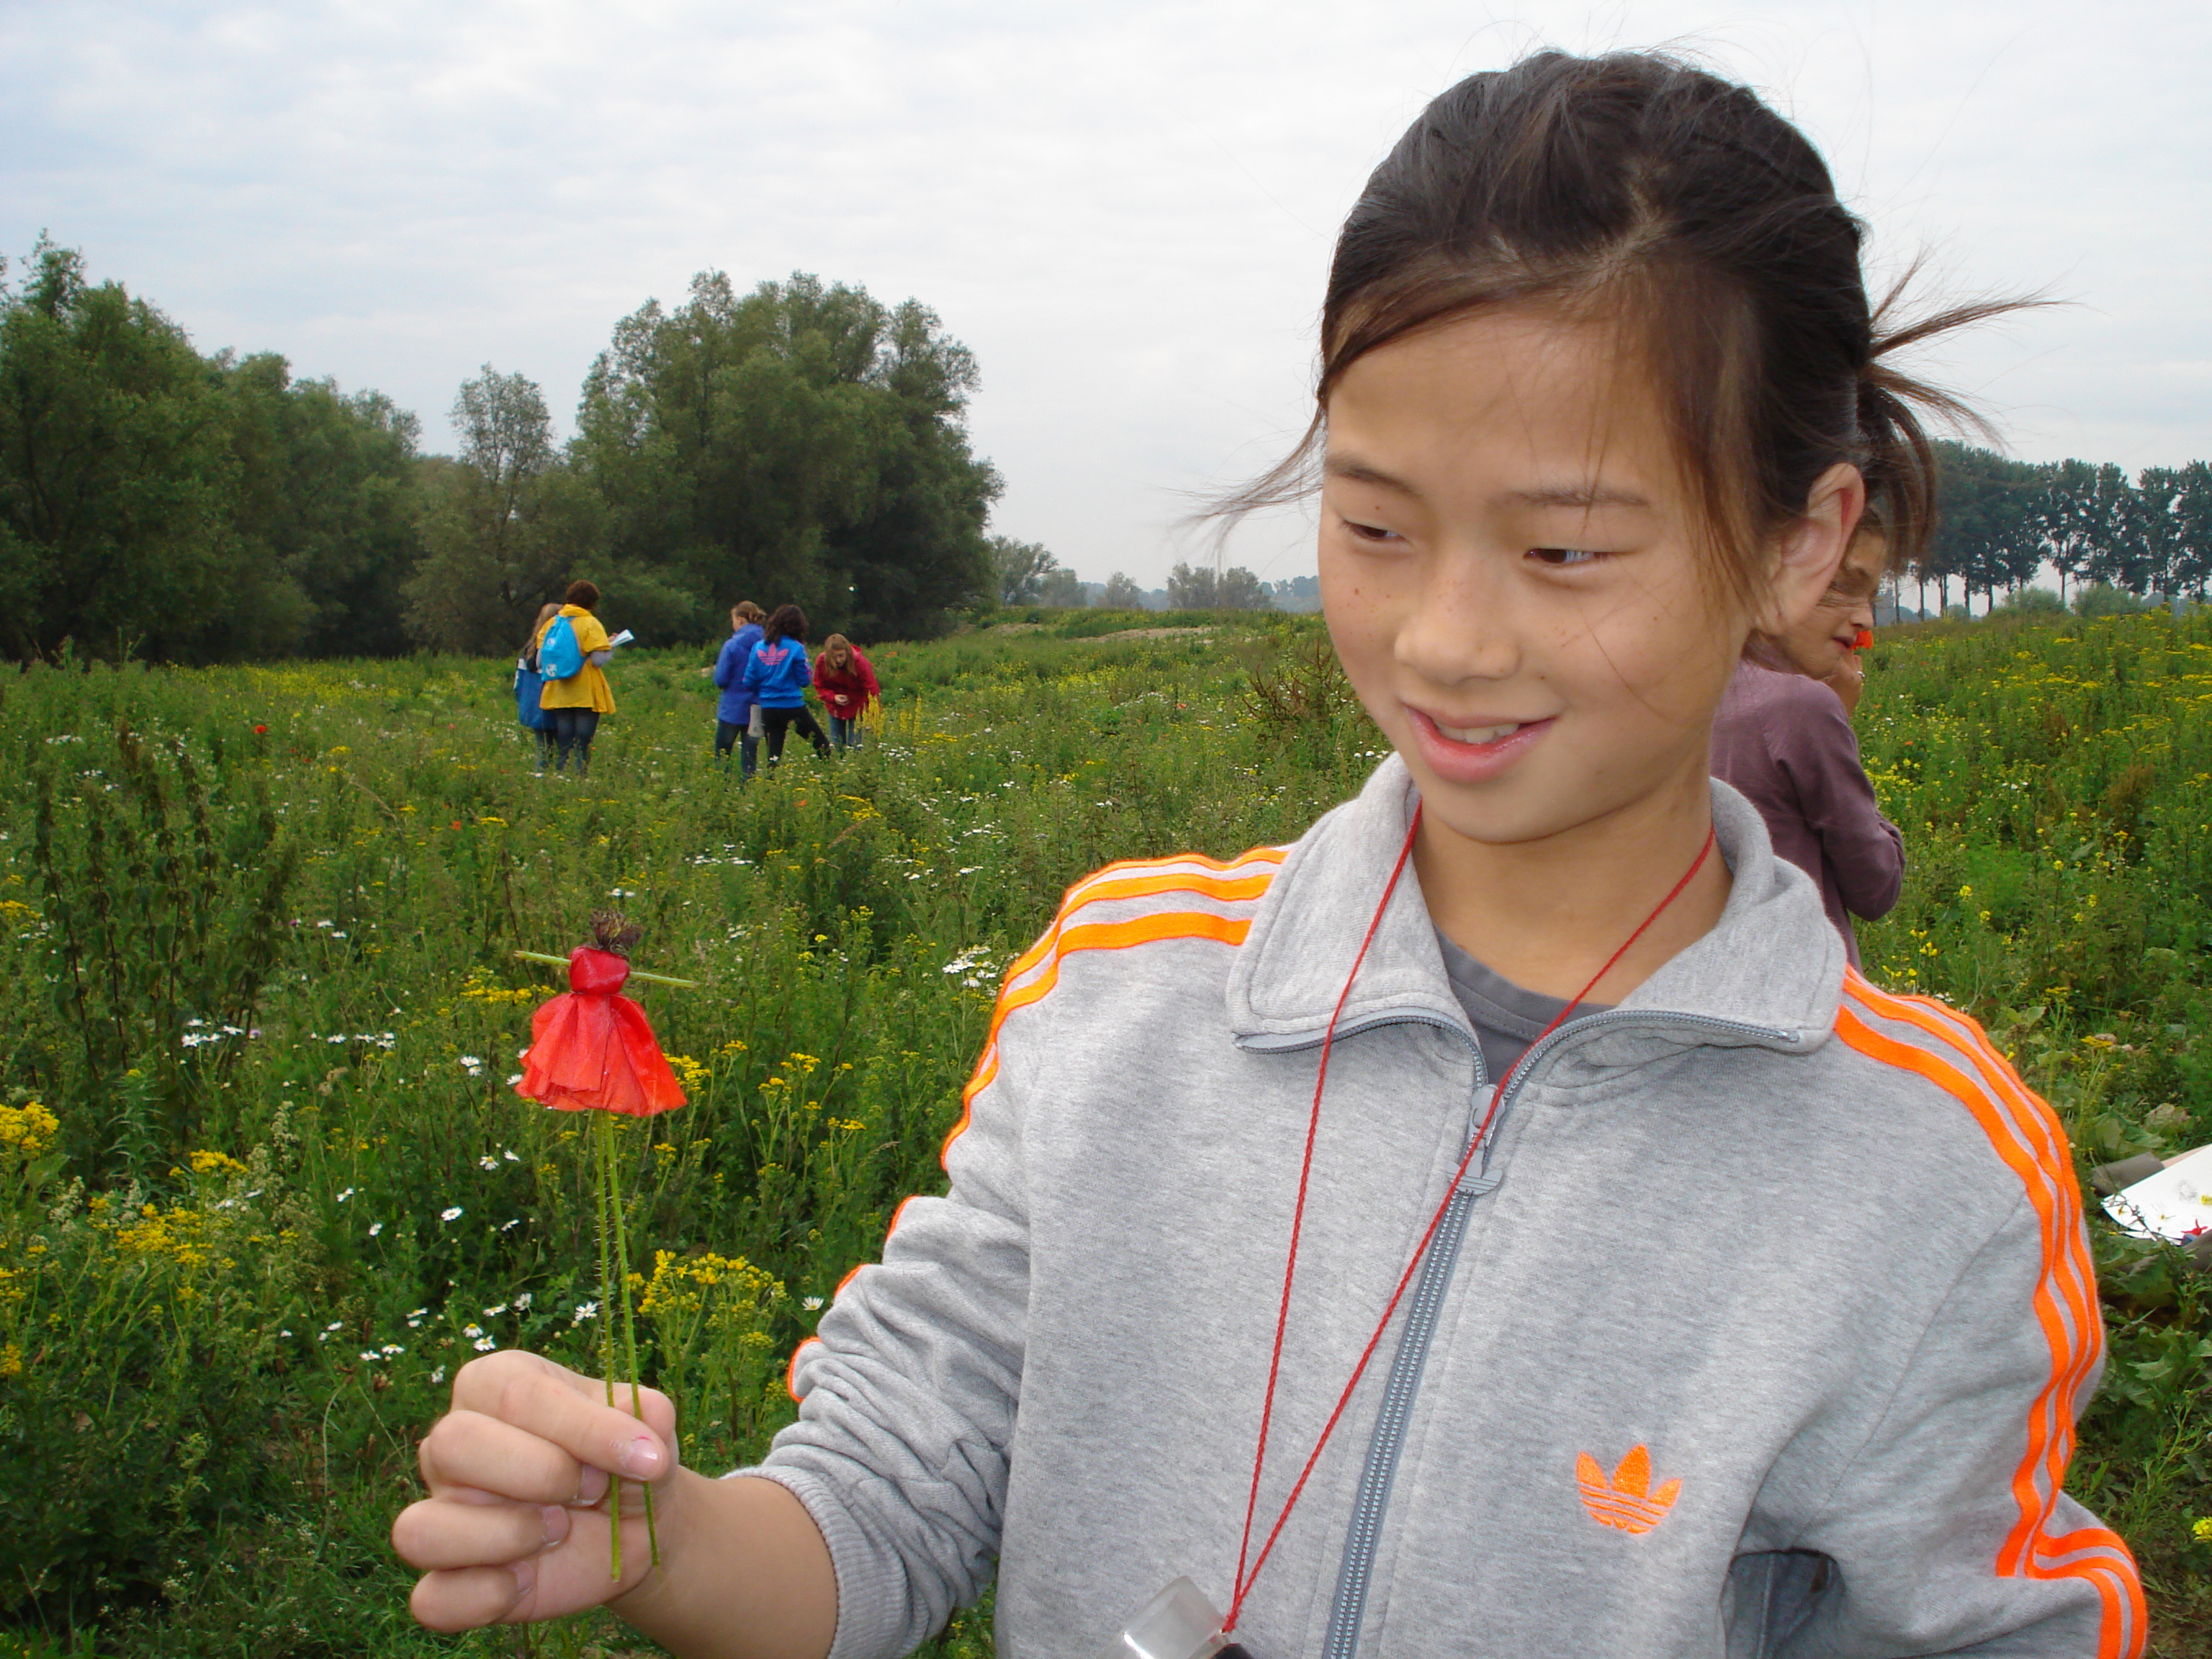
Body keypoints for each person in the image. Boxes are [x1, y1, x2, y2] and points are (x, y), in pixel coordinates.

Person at [394, 51, 2141, 1659]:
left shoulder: (1927, 1177)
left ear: (1795, 540)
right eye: (1372, 522)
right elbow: (882, 1493)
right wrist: (664, 1537)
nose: (1446, 640)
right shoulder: (1120, 989)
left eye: (1562, 550)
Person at [1711, 526, 1905, 965]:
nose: (1865, 619)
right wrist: (1839, 721)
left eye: (1870, 595)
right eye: (1840, 585)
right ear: (1770, 574)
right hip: (1800, 990)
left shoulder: (1695, 685)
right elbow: (1876, 887)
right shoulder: (1801, 705)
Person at [538, 580, 618, 778]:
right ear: (592, 603)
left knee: (564, 740)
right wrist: (611, 645)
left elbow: (541, 660)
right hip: (584, 690)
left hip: (558, 690)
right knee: (583, 740)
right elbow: (598, 660)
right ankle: (579, 777)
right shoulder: (590, 623)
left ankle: (561, 775)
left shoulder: (552, 623)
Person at [741, 604, 832, 765]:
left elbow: (748, 681)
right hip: (792, 706)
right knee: (822, 746)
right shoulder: (796, 648)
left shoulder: (758, 647)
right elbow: (804, 680)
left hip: (768, 707)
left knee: (774, 755)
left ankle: (770, 785)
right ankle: (832, 777)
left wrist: (764, 692)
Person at [712, 601, 768, 778]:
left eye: (734, 620)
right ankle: (748, 791)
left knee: (723, 753)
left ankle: (722, 789)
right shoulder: (769, 644)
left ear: (741, 620)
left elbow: (721, 678)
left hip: (732, 708)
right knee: (751, 754)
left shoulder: (732, 645)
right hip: (758, 707)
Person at [811, 633, 880, 753]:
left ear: (847, 652)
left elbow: (872, 690)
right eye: (834, 657)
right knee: (837, 746)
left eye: (841, 656)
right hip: (836, 707)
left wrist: (872, 718)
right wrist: (833, 697)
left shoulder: (859, 662)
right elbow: (819, 686)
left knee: (856, 747)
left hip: (858, 707)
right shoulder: (822, 661)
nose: (838, 660)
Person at [514, 602, 560, 772]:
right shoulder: (552, 648)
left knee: (543, 748)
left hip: (533, 705)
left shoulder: (529, 648)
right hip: (551, 703)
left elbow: (518, 682)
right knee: (561, 750)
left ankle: (541, 778)